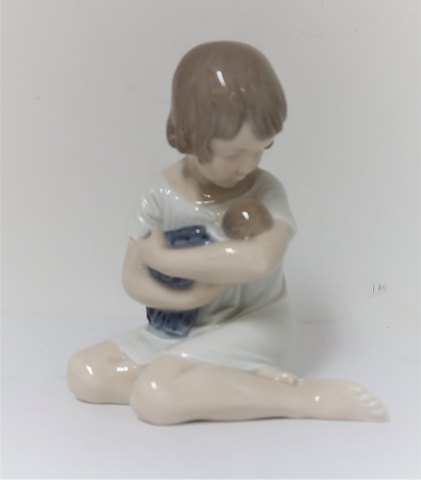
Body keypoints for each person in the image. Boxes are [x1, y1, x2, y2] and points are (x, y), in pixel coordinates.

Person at [67, 41, 388, 424]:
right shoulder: (159, 193)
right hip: (183, 327)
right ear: (191, 136)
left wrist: (165, 258)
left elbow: (258, 259)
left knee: (155, 395)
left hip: (253, 324)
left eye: (261, 149)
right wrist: (187, 300)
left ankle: (305, 398)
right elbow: (133, 278)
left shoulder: (265, 191)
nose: (247, 166)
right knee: (86, 373)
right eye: (233, 154)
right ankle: (228, 383)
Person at [145, 196, 275, 337]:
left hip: (177, 269)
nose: (252, 241)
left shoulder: (209, 233)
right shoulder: (221, 248)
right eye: (252, 235)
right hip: (178, 275)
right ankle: (169, 325)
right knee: (178, 307)